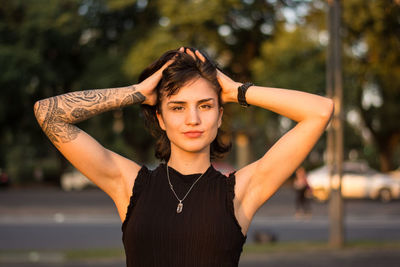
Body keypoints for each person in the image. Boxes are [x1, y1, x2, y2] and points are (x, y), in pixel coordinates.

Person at [34, 47, 334, 266]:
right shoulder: (129, 185)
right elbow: (47, 113)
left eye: (205, 106)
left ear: (219, 116)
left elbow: (320, 111)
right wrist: (137, 92)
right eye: (177, 107)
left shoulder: (241, 191)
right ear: (161, 118)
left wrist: (234, 90)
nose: (193, 119)